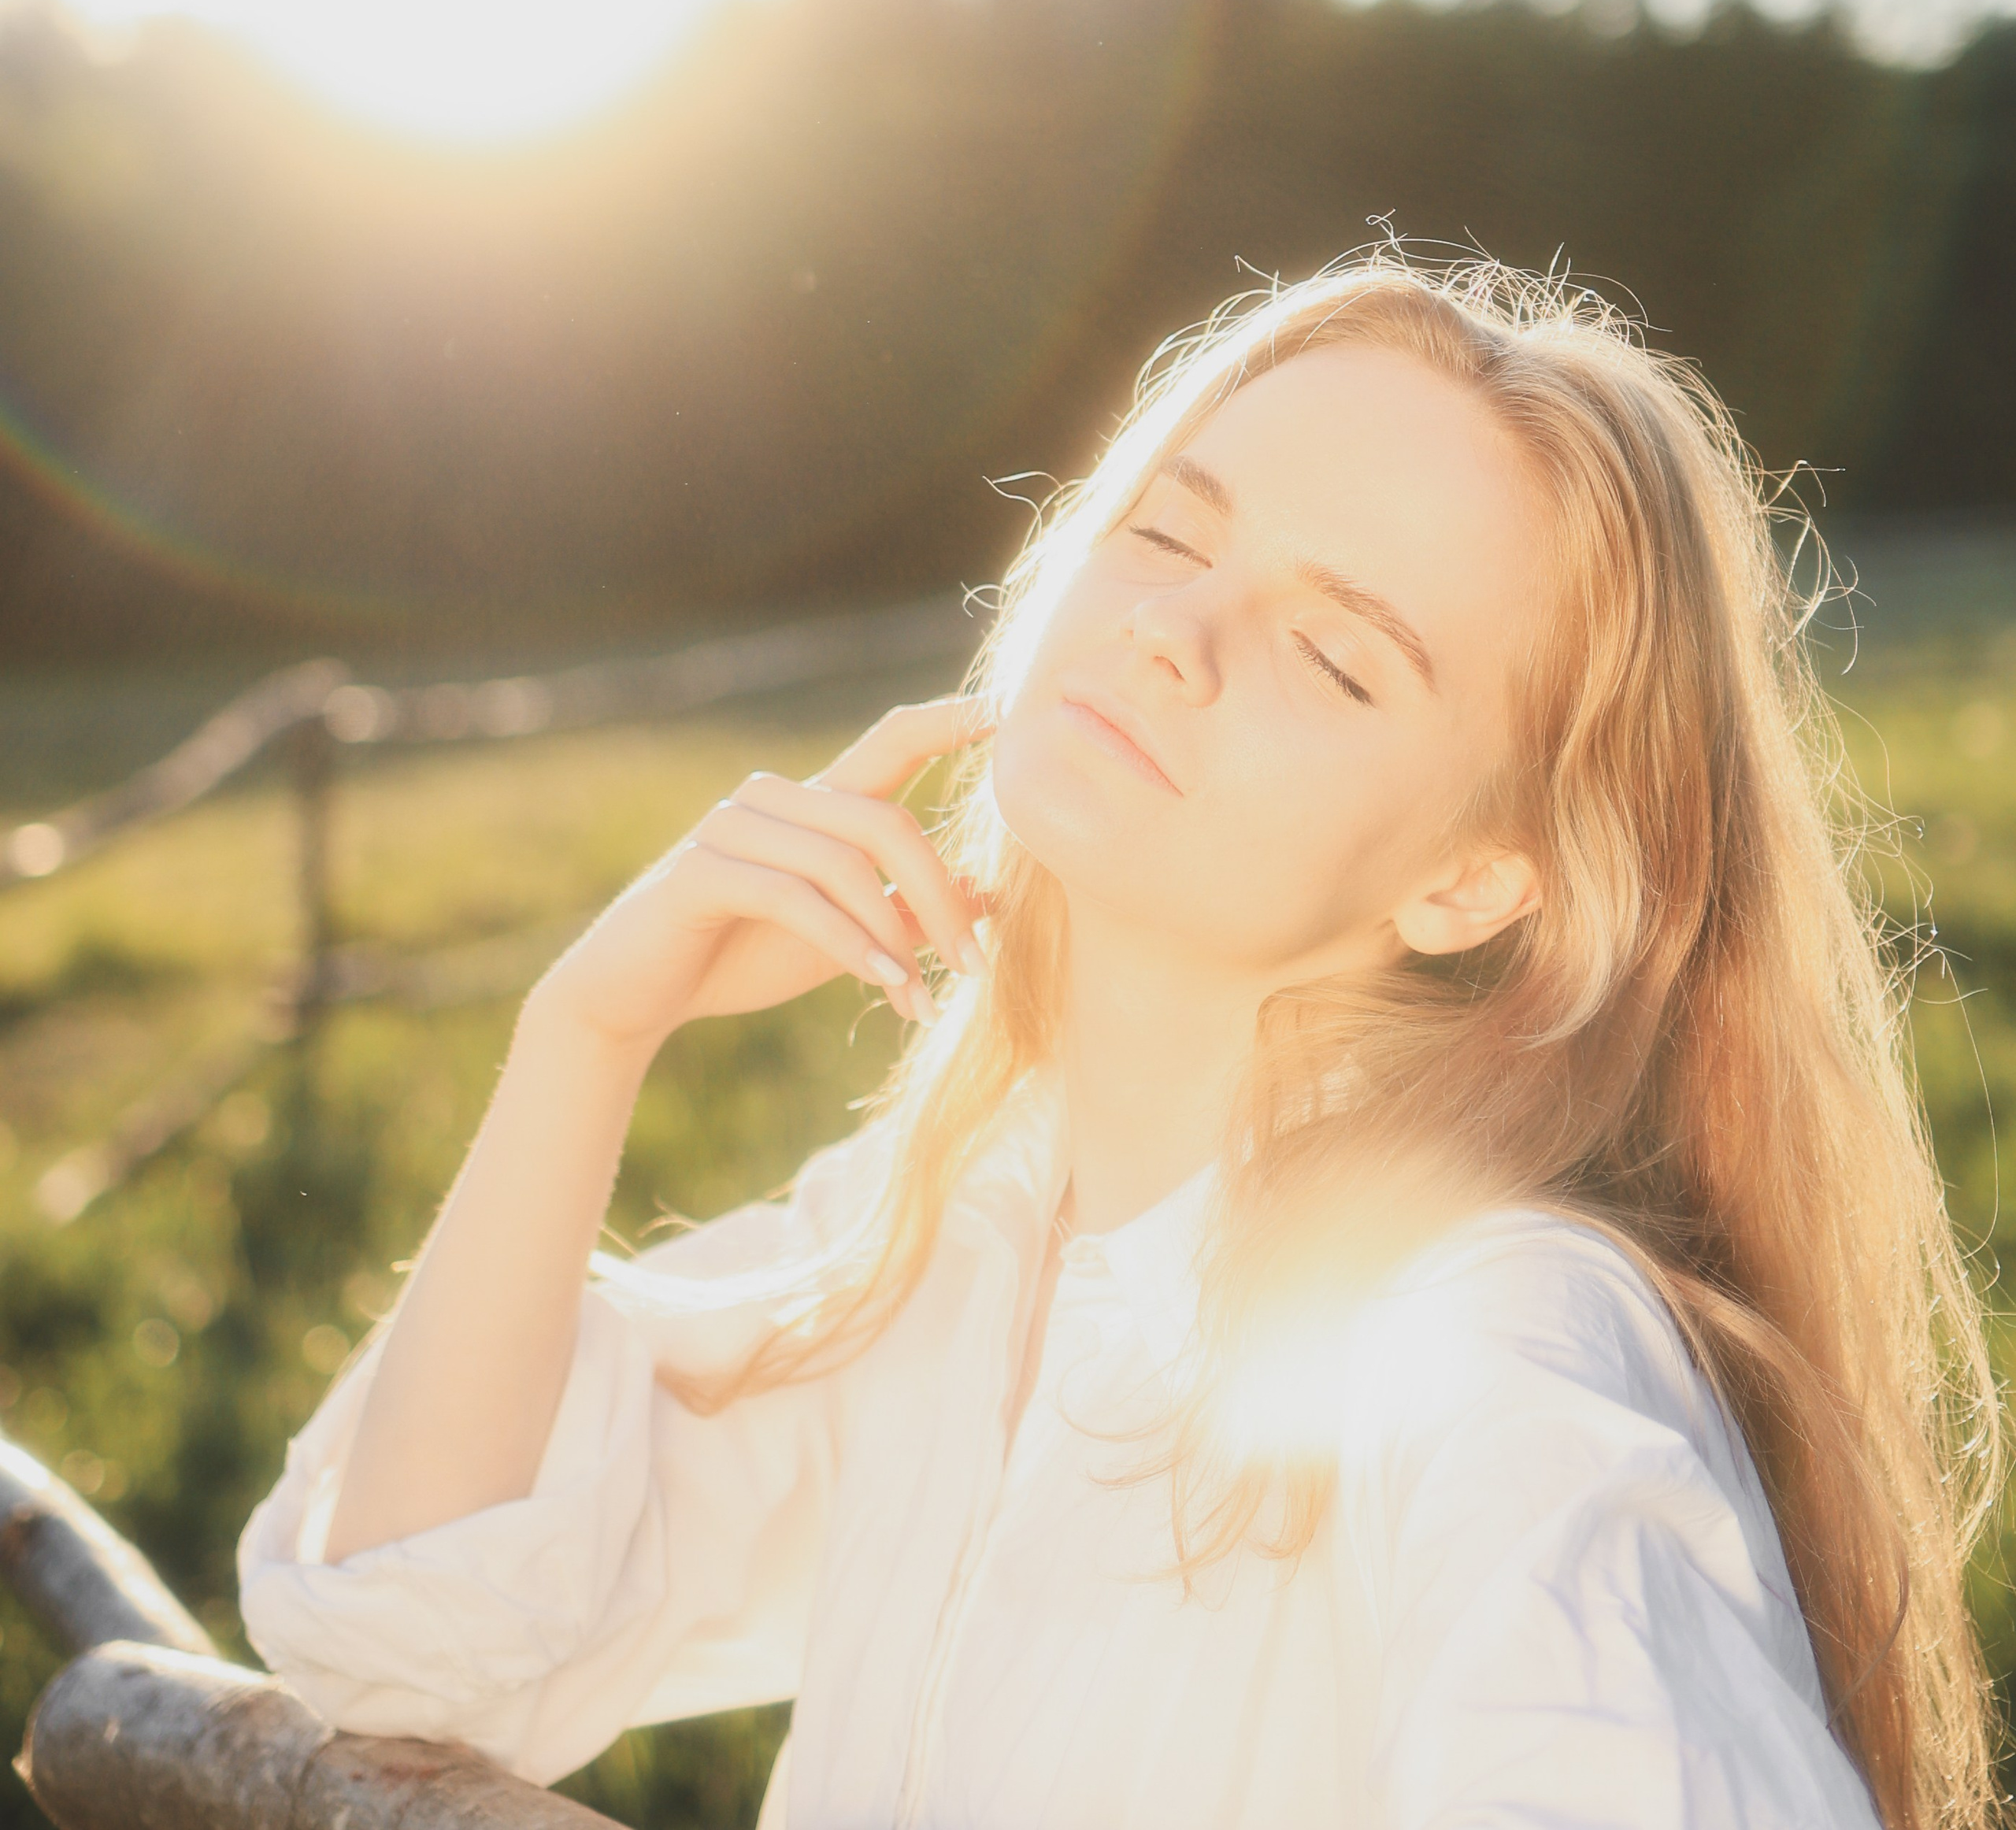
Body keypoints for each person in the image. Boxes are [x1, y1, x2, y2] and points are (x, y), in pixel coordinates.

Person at [239, 254, 2002, 1830]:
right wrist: (585, 1036)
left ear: (1473, 880)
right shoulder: (953, 1224)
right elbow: (406, 1652)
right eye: (1166, 534)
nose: (1171, 631)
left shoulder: (1487, 1344)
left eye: (1335, 656)